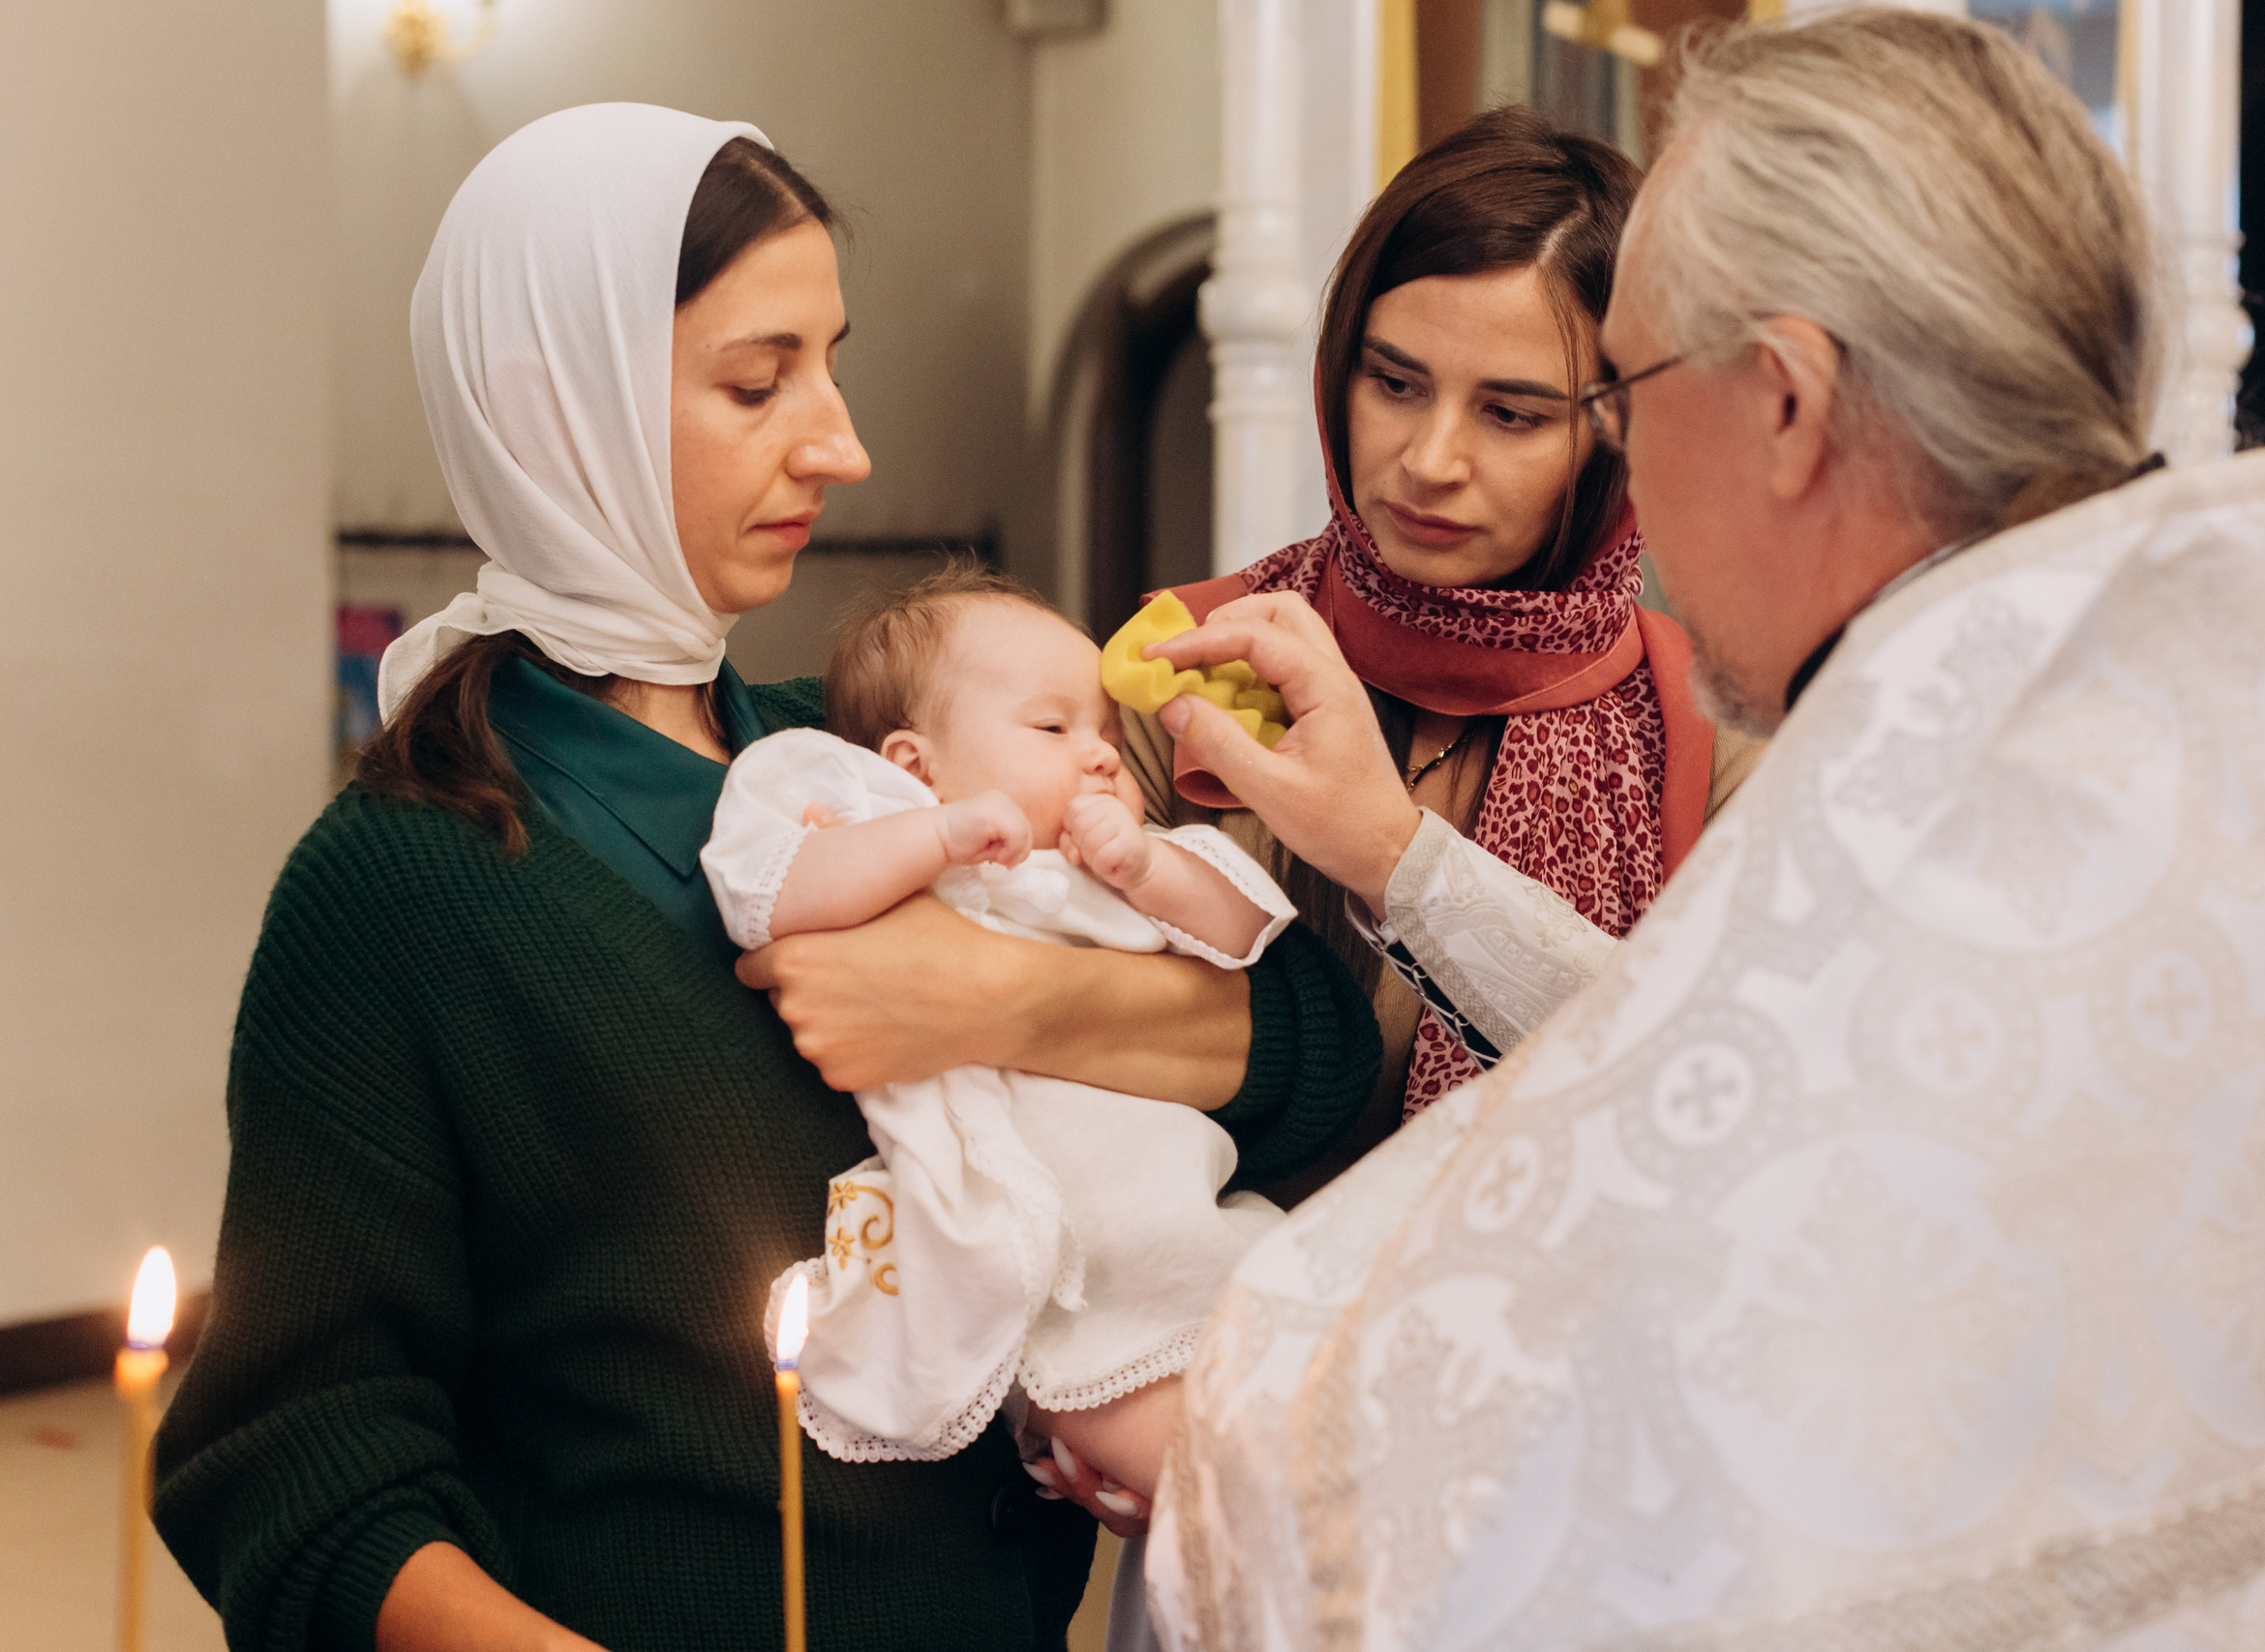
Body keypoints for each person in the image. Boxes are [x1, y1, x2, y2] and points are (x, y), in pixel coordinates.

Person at [1137, 12, 2265, 1646]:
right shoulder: (2195, 744)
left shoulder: (1941, 808)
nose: (1593, 464)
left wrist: (1223, 1392)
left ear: (1783, 401)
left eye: (1607, 389)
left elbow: (1553, 1390)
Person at [151, 105, 1375, 1652]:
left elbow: (1321, 1059)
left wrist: (1012, 994)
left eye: (830, 359)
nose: (842, 441)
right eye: (758, 379)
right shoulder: (403, 882)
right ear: (558, 405)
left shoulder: (872, 756)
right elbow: (295, 1457)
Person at [1116, 106, 1758, 1209]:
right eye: (1394, 383)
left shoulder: (1709, 734)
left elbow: (1727, 1117)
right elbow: (1062, 1050)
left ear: (1620, 435)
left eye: (1511, 415)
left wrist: (1386, 852)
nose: (1429, 460)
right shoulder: (1186, 664)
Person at [702, 568, 1293, 1502]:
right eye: (1055, 729)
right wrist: (933, 837)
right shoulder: (872, 825)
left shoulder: (1105, 875)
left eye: (1104, 732)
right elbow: (771, 894)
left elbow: (1243, 932)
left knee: (1324, 1441)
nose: (1101, 756)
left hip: (1201, 1236)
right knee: (1254, 1504)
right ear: (910, 764)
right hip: (1070, 1285)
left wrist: (1146, 868)